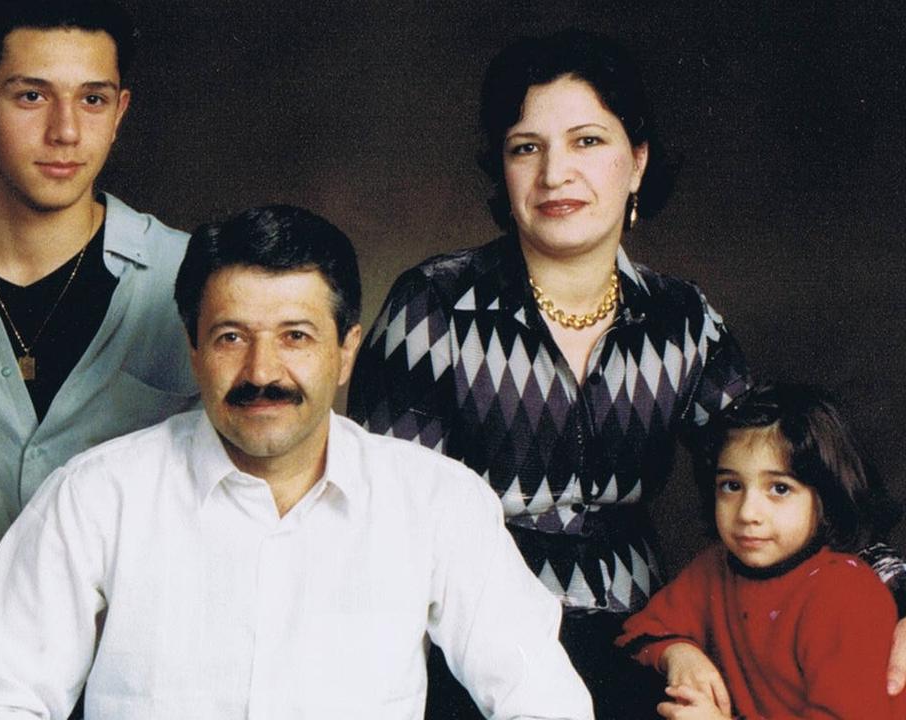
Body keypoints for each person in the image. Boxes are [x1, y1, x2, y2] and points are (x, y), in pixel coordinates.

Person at [346, 29, 906, 718]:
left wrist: (896, 595)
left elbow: (786, 471)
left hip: (641, 646)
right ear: (502, 168)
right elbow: (385, 523)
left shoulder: (682, 320)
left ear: (636, 162)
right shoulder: (434, 307)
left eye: (587, 141)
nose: (556, 174)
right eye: (527, 147)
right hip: (471, 652)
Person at [0, 205, 592, 720]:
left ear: (346, 354)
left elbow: (545, 699)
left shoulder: (435, 502)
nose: (262, 371)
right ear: (193, 351)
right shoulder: (97, 496)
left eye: (296, 337)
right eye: (230, 338)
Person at [0, 0, 198, 580]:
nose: (66, 131)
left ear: (119, 111)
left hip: (122, 653)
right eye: (32, 96)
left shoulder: (197, 277)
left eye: (92, 99)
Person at [616, 382, 905, 718]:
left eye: (779, 488)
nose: (747, 513)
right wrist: (677, 653)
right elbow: (641, 630)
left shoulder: (846, 595)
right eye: (732, 486)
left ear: (825, 498)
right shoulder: (716, 567)